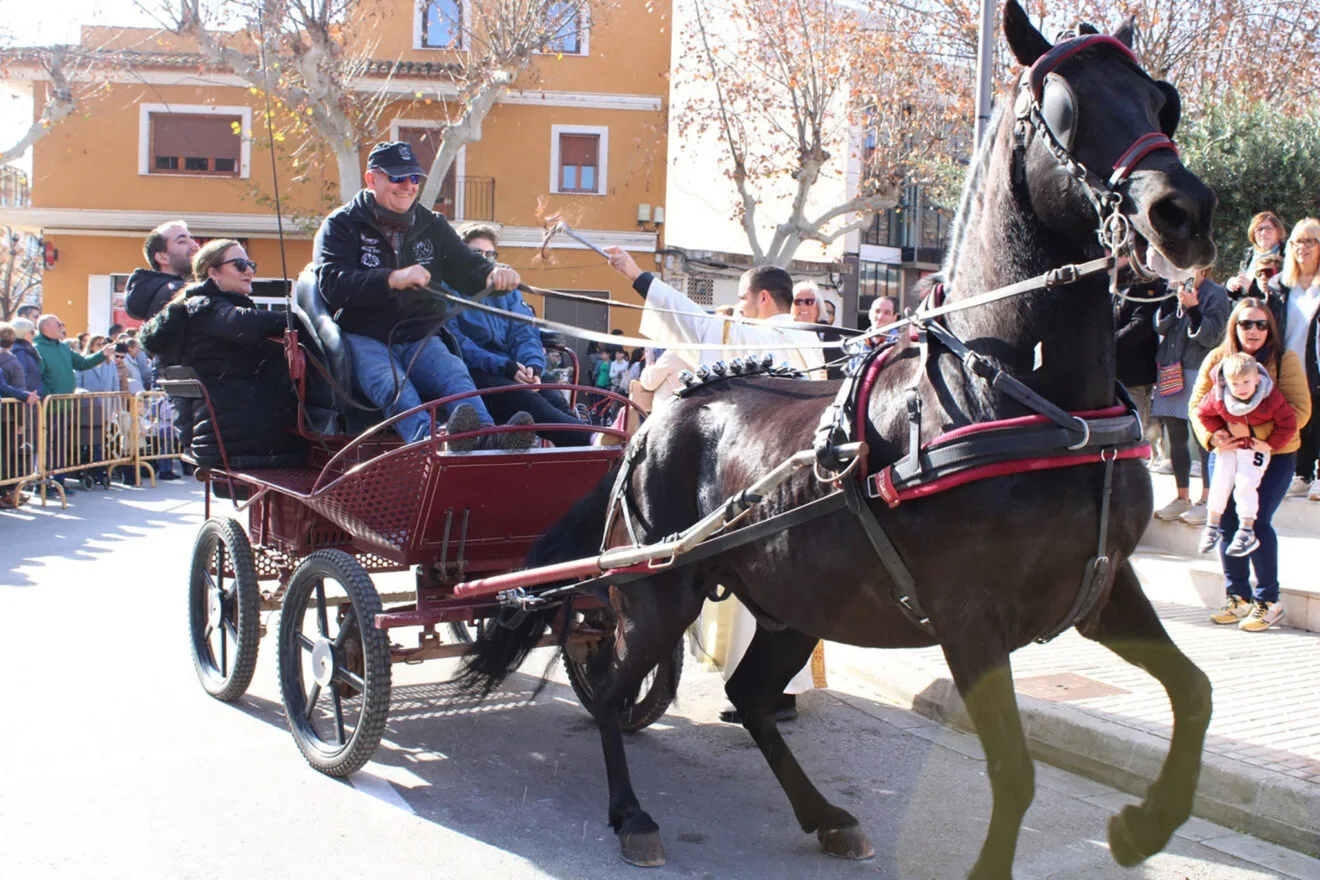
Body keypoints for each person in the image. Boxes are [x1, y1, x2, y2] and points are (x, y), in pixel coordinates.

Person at [604, 246, 823, 723]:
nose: (739, 308)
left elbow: (690, 319)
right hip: (801, 477)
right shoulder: (812, 339)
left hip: (755, 474)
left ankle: (762, 694)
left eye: (743, 300)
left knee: (756, 585)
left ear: (763, 299)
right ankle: (782, 689)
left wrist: (636, 275)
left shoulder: (746, 331)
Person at [312, 141, 533, 450]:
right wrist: (392, 278)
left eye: (414, 178)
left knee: (456, 378)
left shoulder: (432, 224)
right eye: (398, 178)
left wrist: (492, 273)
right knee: (394, 388)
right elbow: (333, 284)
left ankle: (486, 438)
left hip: (419, 332)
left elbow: (465, 266)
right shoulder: (341, 225)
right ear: (371, 178)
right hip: (365, 335)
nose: (408, 186)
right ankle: (430, 444)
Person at [1190, 299, 1311, 632]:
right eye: (1246, 324)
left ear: (1270, 328)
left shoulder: (1284, 360)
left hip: (1274, 454)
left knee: (1256, 521)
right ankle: (1237, 596)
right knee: (1228, 522)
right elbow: (1197, 406)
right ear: (1234, 326)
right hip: (1226, 453)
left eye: (1261, 324)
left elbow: (1300, 411)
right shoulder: (1217, 358)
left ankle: (1268, 601)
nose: (1254, 331)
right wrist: (1213, 436)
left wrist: (1254, 435)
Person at [139, 239, 302, 469]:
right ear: (212, 272)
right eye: (239, 264)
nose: (249, 271)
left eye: (250, 264)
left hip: (218, 434)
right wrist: (298, 321)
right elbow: (241, 323)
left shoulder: (193, 308)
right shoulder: (203, 306)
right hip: (236, 437)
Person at [445, 223, 589, 445]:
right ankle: (589, 439)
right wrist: (506, 367)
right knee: (526, 397)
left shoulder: (506, 287)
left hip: (514, 366)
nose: (484, 259)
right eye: (476, 253)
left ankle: (586, 449)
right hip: (477, 371)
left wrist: (533, 366)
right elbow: (458, 343)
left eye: (490, 254)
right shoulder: (448, 288)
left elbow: (524, 330)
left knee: (551, 392)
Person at [1194, 352, 1297, 557]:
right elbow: (1202, 413)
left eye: (1246, 382)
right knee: (1220, 481)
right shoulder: (1218, 397)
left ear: (1257, 379)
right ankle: (1212, 525)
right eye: (1235, 384)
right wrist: (1217, 433)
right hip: (1230, 446)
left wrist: (1270, 444)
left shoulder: (1271, 398)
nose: (1241, 389)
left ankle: (1246, 530)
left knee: (1245, 483)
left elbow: (1289, 423)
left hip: (1253, 447)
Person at [1151, 269, 1229, 525]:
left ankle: (1206, 499)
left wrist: (1193, 308)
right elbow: (1160, 325)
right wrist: (1169, 299)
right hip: (1171, 366)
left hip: (1198, 368)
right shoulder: (1173, 288)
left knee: (1202, 434)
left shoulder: (1216, 293)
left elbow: (1212, 336)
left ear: (1204, 267)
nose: (1181, 271)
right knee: (1175, 434)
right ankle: (1182, 496)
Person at [1264, 218, 1320, 502]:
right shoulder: (1280, 286)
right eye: (1298, 241)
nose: (1303, 247)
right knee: (1299, 418)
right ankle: (1302, 473)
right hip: (1289, 365)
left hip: (1317, 364)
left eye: (1310, 241)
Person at [1114, 282, 1161, 458]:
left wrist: (1107, 344)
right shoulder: (1114, 284)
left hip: (1134, 377)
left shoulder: (1143, 286)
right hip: (1112, 375)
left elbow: (1141, 326)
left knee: (1133, 437)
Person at [124, 221, 200, 322]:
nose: (195, 245)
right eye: (182, 241)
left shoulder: (155, 293)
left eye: (192, 239)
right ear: (162, 258)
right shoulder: (177, 293)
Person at [35, 314, 113, 396]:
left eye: (62, 324)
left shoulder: (64, 347)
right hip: (51, 404)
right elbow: (36, 379)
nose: (62, 327)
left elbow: (82, 363)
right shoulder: (38, 349)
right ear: (46, 327)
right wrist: (48, 397)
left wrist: (102, 354)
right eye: (59, 324)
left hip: (68, 402)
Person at [1226, 211, 1287, 300]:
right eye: (1259, 229)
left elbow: (1281, 293)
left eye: (1268, 228)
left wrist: (1251, 289)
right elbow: (1241, 292)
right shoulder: (1249, 256)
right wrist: (1231, 286)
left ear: (1278, 231)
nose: (1263, 233)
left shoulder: (1287, 256)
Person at [9, 318, 41, 395]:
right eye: (32, 332)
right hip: (27, 399)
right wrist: (26, 395)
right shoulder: (19, 351)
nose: (34, 336)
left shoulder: (24, 350)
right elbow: (21, 376)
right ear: (25, 334)